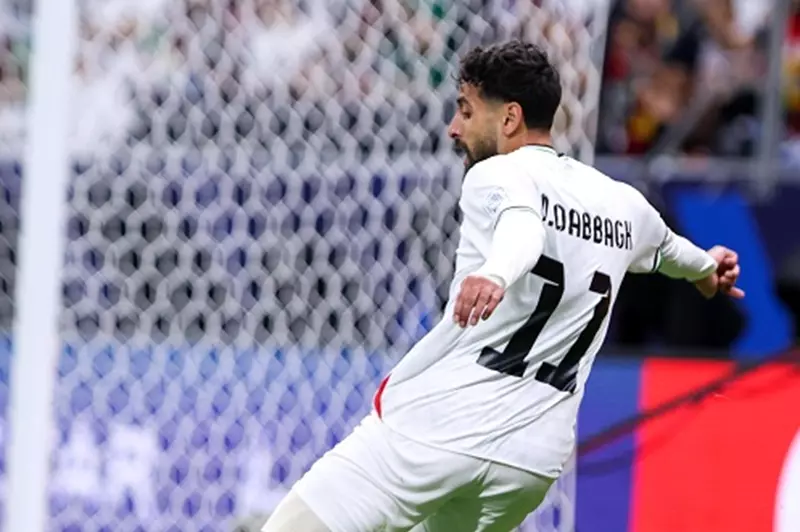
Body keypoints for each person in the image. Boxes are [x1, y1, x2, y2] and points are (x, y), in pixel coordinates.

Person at [261, 40, 744, 532]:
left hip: (440, 432)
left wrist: (496, 274)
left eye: (466, 111)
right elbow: (671, 251)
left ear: (510, 118)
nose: (454, 128)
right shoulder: (624, 204)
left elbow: (523, 229)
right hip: (529, 462)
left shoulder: (496, 174)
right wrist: (708, 269)